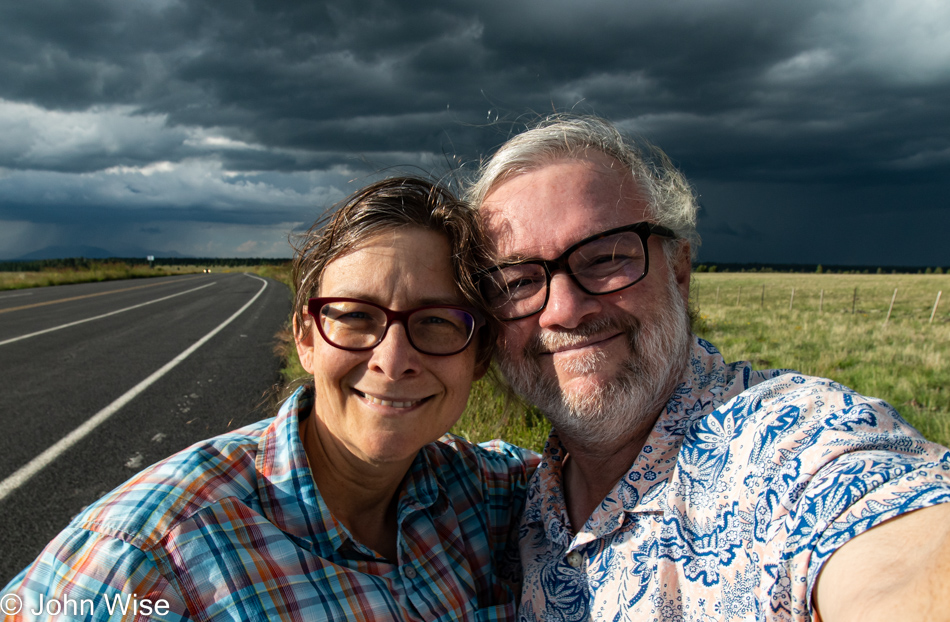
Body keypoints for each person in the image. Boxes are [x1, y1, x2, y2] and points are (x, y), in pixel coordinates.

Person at [467, 115, 950, 622]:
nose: (563, 310)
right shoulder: (501, 502)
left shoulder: (786, 447)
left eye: (606, 257)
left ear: (679, 271)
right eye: (517, 283)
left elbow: (888, 540)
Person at [2, 177, 537, 620]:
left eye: (437, 321)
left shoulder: (491, 498)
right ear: (305, 337)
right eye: (354, 316)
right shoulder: (145, 557)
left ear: (480, 354)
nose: (392, 359)